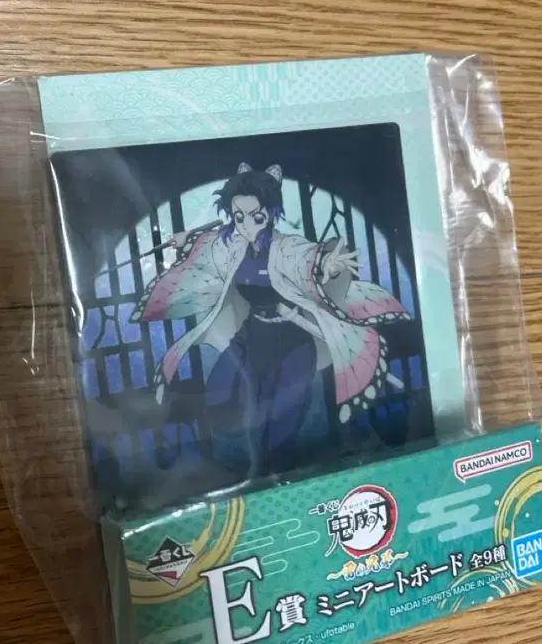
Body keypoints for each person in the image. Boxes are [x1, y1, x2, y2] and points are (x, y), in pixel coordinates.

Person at [131, 163, 409, 477]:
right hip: (252, 334)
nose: (247, 225)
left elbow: (308, 257)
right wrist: (186, 240)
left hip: (292, 340)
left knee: (281, 416)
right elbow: (208, 246)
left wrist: (328, 265)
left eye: (257, 216)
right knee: (220, 392)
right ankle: (248, 467)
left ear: (272, 213)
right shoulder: (233, 245)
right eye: (239, 217)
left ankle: (277, 475)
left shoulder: (286, 246)